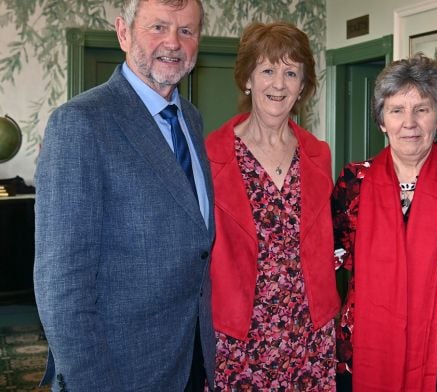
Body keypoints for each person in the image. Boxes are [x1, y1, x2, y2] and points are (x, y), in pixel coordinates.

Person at [33, 0, 215, 390]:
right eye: (157, 28)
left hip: (190, 360)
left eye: (186, 30)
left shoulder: (192, 120)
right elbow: (60, 284)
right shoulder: (81, 123)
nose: (173, 43)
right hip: (119, 370)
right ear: (123, 32)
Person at [333, 54, 437, 392]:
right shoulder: (352, 181)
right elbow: (331, 255)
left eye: (422, 109)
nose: (409, 122)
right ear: (382, 120)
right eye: (396, 110)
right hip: (364, 351)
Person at [204, 21, 339, 391]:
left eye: (291, 73)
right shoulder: (211, 155)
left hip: (309, 332)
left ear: (302, 87)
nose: (279, 84)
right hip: (238, 336)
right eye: (267, 70)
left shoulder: (319, 155)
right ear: (247, 79)